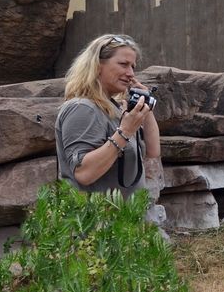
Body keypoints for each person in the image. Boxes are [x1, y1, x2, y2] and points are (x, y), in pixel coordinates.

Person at [55, 34, 160, 196]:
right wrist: (125, 132)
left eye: (133, 66)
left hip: (123, 217)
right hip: (96, 219)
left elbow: (153, 152)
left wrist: (146, 106)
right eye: (123, 64)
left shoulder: (114, 108)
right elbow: (84, 173)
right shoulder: (83, 108)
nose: (131, 73)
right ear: (97, 65)